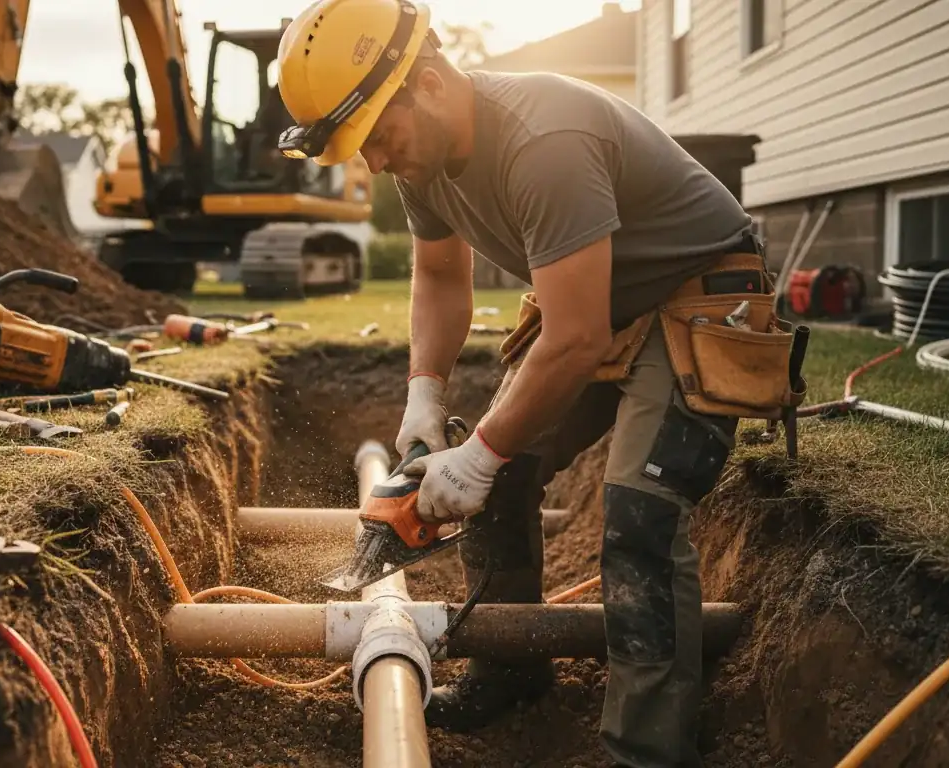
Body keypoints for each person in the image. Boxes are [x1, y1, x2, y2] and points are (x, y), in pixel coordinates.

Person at [274, 0, 804, 765]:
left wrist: (479, 453)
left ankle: (647, 750)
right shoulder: (421, 154)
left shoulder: (543, 139)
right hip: (605, 301)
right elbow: (440, 274)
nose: (377, 163)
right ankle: (511, 671)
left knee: (638, 512)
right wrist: (427, 390)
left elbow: (577, 336)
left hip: (699, 294)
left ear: (425, 83)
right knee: (505, 466)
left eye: (377, 139)